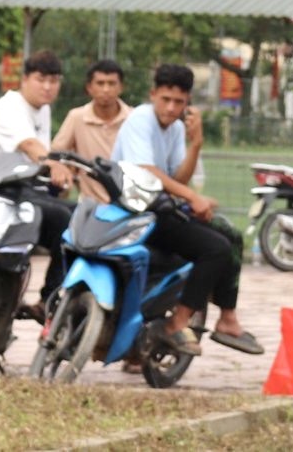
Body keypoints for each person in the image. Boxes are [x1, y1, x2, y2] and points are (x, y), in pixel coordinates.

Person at [111, 63, 263, 357]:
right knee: (215, 248)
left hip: (162, 209)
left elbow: (178, 179)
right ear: (153, 94)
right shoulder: (140, 119)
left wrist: (196, 144)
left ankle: (228, 318)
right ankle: (176, 324)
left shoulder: (177, 128)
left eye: (178, 102)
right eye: (165, 99)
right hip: (137, 214)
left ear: (187, 102)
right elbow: (147, 172)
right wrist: (192, 197)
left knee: (230, 235)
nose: (170, 108)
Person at [0, 49, 76, 318]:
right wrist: (54, 164)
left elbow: (39, 156)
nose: (48, 87)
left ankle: (51, 299)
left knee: (80, 218)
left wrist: (58, 178)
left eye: (54, 81)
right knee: (64, 219)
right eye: (41, 79)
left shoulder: (44, 110)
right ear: (25, 79)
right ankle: (44, 298)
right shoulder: (9, 106)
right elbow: (30, 146)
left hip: (23, 190)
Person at [51, 59, 133, 204]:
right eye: (100, 83)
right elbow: (55, 154)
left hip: (131, 205)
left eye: (112, 83)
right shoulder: (77, 117)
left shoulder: (134, 118)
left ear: (122, 87)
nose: (106, 89)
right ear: (89, 87)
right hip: (91, 206)